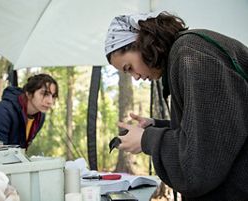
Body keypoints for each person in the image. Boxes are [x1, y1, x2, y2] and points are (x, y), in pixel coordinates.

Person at [104, 11, 248, 201]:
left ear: (141, 42)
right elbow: (215, 128)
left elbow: (200, 165)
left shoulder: (190, 53)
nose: (136, 77)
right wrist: (157, 126)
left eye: (129, 67)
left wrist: (147, 139)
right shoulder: (186, 51)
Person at [0, 73, 58, 149]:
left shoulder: (39, 117)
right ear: (29, 94)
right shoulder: (2, 112)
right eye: (44, 94)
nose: (50, 101)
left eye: (53, 96)